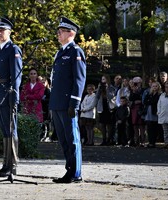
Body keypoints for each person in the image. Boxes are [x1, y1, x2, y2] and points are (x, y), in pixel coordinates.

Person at [49, 17, 86, 183]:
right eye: (58, 31)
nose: (58, 33)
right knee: (63, 139)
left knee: (72, 138)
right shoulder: (60, 52)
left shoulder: (75, 52)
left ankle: (76, 173)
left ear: (71, 33)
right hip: (57, 102)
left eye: (61, 31)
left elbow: (79, 80)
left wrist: (74, 103)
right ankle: (69, 170)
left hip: (68, 103)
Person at [0, 17, 23, 177]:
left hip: (7, 94)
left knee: (11, 129)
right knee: (4, 130)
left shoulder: (13, 49)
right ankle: (5, 164)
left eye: (2, 30)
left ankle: (12, 166)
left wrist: (14, 97)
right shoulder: (0, 49)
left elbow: (16, 75)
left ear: (9, 32)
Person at [95, 74, 117, 145]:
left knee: (109, 124)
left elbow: (111, 97)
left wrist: (107, 89)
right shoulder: (100, 87)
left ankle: (109, 139)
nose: (103, 81)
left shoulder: (112, 88)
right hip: (102, 107)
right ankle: (104, 139)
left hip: (109, 107)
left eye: (104, 79)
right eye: (102, 79)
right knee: (102, 124)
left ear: (107, 80)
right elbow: (97, 96)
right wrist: (99, 88)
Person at [143, 81, 162, 148]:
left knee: (154, 127)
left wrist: (149, 101)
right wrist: (149, 101)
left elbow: (155, 102)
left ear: (158, 87)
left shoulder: (160, 95)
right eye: (153, 86)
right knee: (149, 128)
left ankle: (153, 142)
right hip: (148, 112)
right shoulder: (149, 94)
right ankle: (150, 141)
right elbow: (145, 101)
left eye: (156, 86)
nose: (154, 87)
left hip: (154, 112)